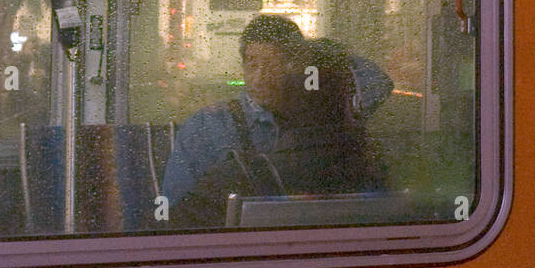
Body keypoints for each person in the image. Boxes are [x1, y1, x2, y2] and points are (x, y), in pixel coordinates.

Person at [162, 15, 392, 228]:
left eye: (272, 65)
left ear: (296, 70)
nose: (260, 77)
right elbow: (175, 211)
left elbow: (378, 83)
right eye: (252, 65)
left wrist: (315, 51)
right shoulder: (210, 125)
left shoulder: (321, 115)